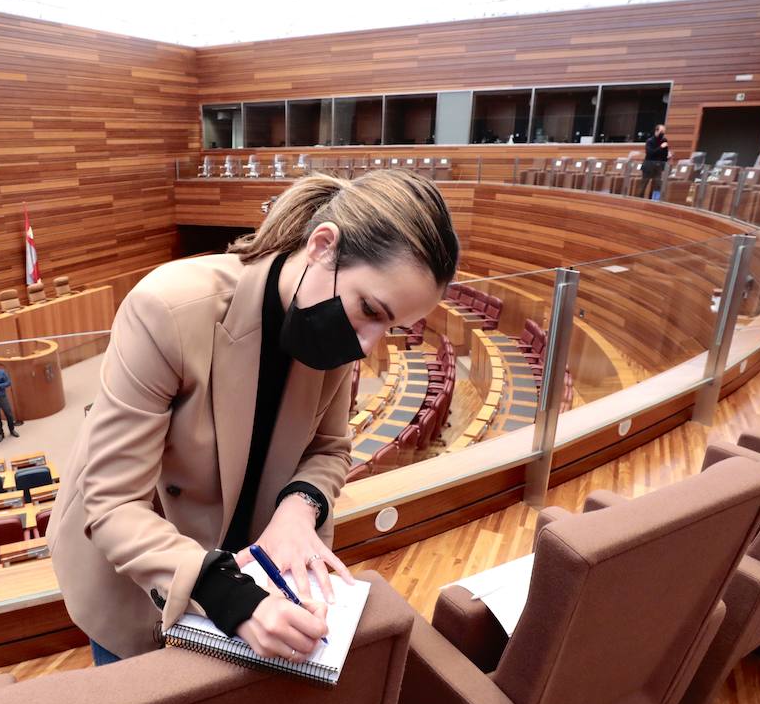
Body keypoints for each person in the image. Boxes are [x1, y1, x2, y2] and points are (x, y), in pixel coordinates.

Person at [50, 169, 460, 666]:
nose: (369, 345)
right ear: (323, 245)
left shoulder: (334, 327)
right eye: (370, 309)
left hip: (250, 563)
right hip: (141, 567)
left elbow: (329, 449)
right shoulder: (166, 308)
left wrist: (299, 506)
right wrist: (230, 596)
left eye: (390, 326)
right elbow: (113, 502)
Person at [642, 123, 669, 199]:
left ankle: (655, 201)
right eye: (662, 131)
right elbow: (650, 153)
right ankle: (638, 200)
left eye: (664, 131)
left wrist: (667, 158)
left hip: (658, 166)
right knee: (643, 185)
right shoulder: (649, 141)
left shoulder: (664, 141)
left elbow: (665, 154)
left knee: (658, 185)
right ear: (656, 131)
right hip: (648, 166)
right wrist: (660, 147)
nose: (663, 133)